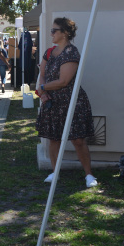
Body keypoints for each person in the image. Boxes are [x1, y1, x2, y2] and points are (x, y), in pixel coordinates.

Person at [35, 17, 98, 188]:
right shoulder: (49, 52)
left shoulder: (71, 52)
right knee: (53, 139)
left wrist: (43, 87)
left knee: (78, 139)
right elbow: (42, 72)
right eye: (51, 30)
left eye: (54, 30)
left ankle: (89, 175)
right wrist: (43, 92)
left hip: (72, 101)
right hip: (52, 102)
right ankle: (55, 172)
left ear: (65, 33)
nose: (51, 34)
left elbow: (64, 81)